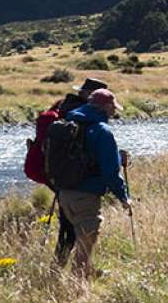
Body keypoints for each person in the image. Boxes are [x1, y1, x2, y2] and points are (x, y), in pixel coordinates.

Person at [26, 77, 109, 265]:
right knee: (72, 227)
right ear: (89, 96)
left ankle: (62, 267)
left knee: (68, 223)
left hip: (55, 172)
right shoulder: (81, 113)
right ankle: (65, 268)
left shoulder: (62, 106)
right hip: (72, 176)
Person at [55, 88, 132, 279]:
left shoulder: (69, 123)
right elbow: (110, 172)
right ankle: (77, 290)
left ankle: (75, 274)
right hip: (86, 196)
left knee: (80, 239)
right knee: (85, 246)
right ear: (105, 107)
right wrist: (124, 197)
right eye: (113, 108)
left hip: (64, 194)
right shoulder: (102, 131)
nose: (114, 112)